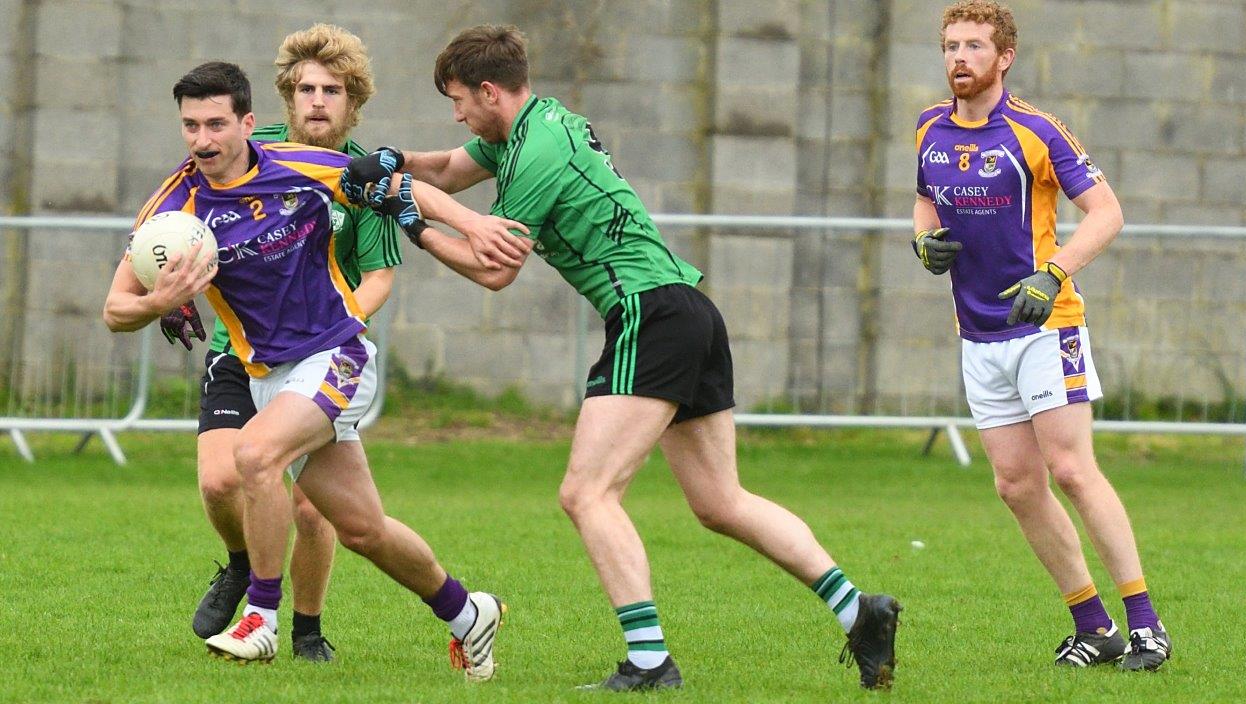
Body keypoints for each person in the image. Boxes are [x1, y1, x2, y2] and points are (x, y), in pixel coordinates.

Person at [341, 24, 902, 691]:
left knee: (587, 493)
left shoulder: (534, 155)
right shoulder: (538, 124)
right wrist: (387, 160)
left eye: (459, 100)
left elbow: (495, 270)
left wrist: (411, 221)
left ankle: (649, 662)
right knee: (721, 501)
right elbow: (448, 168)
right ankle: (858, 611)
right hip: (688, 309)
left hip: (648, 314)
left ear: (489, 92)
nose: (456, 114)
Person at [102, 61, 524, 680]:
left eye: (216, 123)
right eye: (190, 126)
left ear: (249, 124)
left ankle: (263, 618)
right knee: (363, 530)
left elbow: (400, 186)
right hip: (265, 373)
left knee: (255, 458)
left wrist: (472, 222)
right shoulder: (174, 209)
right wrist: (157, 302)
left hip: (336, 354)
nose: (202, 140)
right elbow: (115, 310)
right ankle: (469, 613)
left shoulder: (301, 167)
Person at [911, 0, 1170, 671]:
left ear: (1004, 58)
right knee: (1016, 485)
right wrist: (921, 241)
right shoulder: (929, 129)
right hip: (978, 335)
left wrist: (1053, 275)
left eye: (973, 46)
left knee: (1071, 470)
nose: (958, 58)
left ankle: (1146, 625)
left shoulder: (1036, 131)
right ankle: (1095, 626)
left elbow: (1107, 213)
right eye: (949, 46)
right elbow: (924, 199)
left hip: (1044, 326)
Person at [158, 24, 400, 663]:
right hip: (237, 351)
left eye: (333, 90)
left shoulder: (360, 176)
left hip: (319, 351)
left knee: (316, 510)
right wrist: (171, 290)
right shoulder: (244, 146)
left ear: (353, 102)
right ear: (284, 101)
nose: (317, 101)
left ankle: (305, 630)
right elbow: (182, 223)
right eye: (305, 89)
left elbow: (378, 276)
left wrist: (340, 323)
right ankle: (242, 566)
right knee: (219, 482)